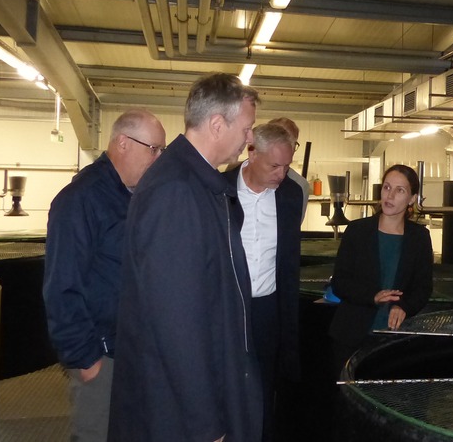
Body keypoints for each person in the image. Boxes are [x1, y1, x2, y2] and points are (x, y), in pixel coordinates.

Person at [108, 73, 261, 442]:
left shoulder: (199, 185)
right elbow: (177, 323)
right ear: (217, 124)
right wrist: (205, 423)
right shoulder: (175, 192)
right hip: (177, 411)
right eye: (247, 127)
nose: (251, 138)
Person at [42, 108, 166, 442]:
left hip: (131, 351)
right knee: (97, 433)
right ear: (123, 143)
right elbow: (61, 287)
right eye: (153, 149)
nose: (158, 158)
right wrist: (86, 360)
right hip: (101, 357)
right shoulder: (81, 199)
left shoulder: (131, 195)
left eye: (161, 151)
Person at [223, 123, 303, 442]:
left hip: (268, 310)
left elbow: (289, 263)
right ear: (251, 152)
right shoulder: (220, 188)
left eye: (286, 166)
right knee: (225, 388)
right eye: (274, 166)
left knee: (264, 389)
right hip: (227, 310)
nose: (281, 175)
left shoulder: (290, 195)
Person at [328, 164, 434, 376]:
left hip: (393, 339)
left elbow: (423, 287)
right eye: (387, 187)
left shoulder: (419, 237)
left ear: (412, 199)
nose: (390, 195)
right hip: (351, 336)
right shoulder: (357, 231)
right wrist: (372, 296)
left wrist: (403, 306)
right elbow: (340, 282)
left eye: (400, 190)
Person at [268, 117, 311, 220]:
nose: (288, 147)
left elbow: (294, 226)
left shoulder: (300, 185)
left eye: (293, 143)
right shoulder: (239, 172)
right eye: (283, 140)